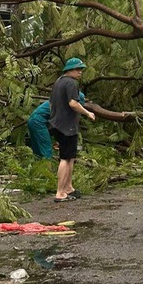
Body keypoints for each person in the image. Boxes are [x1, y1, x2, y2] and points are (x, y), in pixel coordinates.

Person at [49, 58, 95, 202]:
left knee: (71, 157)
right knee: (65, 158)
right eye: (77, 69)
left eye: (81, 69)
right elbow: (73, 103)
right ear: (69, 70)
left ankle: (68, 187)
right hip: (66, 126)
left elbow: (51, 103)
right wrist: (87, 113)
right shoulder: (71, 83)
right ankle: (60, 192)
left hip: (58, 123)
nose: (80, 72)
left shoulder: (59, 82)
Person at [27, 91, 86, 159]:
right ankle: (46, 167)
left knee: (38, 152)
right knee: (46, 152)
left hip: (33, 121)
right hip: (38, 123)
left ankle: (37, 167)